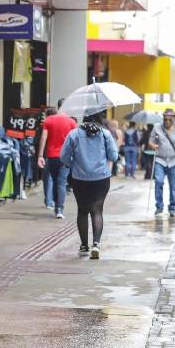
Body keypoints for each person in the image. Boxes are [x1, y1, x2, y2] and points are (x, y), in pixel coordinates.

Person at [60, 111, 118, 260]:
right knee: (97, 211)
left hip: (80, 178)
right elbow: (114, 156)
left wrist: (73, 165)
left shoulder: (74, 134)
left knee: (82, 210)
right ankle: (96, 244)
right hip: (101, 178)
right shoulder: (105, 134)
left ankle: (84, 245)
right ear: (100, 118)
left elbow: (64, 156)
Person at [37, 99, 77, 219]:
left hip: (52, 156)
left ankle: (56, 206)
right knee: (61, 182)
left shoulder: (49, 120)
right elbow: (75, 141)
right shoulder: (72, 122)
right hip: (66, 157)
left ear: (58, 106)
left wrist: (40, 156)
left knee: (55, 181)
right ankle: (59, 208)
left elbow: (43, 138)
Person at [149, 109, 175, 217]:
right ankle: (159, 206)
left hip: (174, 161)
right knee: (158, 182)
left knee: (174, 186)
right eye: (165, 119)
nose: (167, 121)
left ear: (173, 119)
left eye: (169, 119)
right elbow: (150, 141)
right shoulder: (157, 127)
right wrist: (153, 145)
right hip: (160, 160)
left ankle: (172, 207)